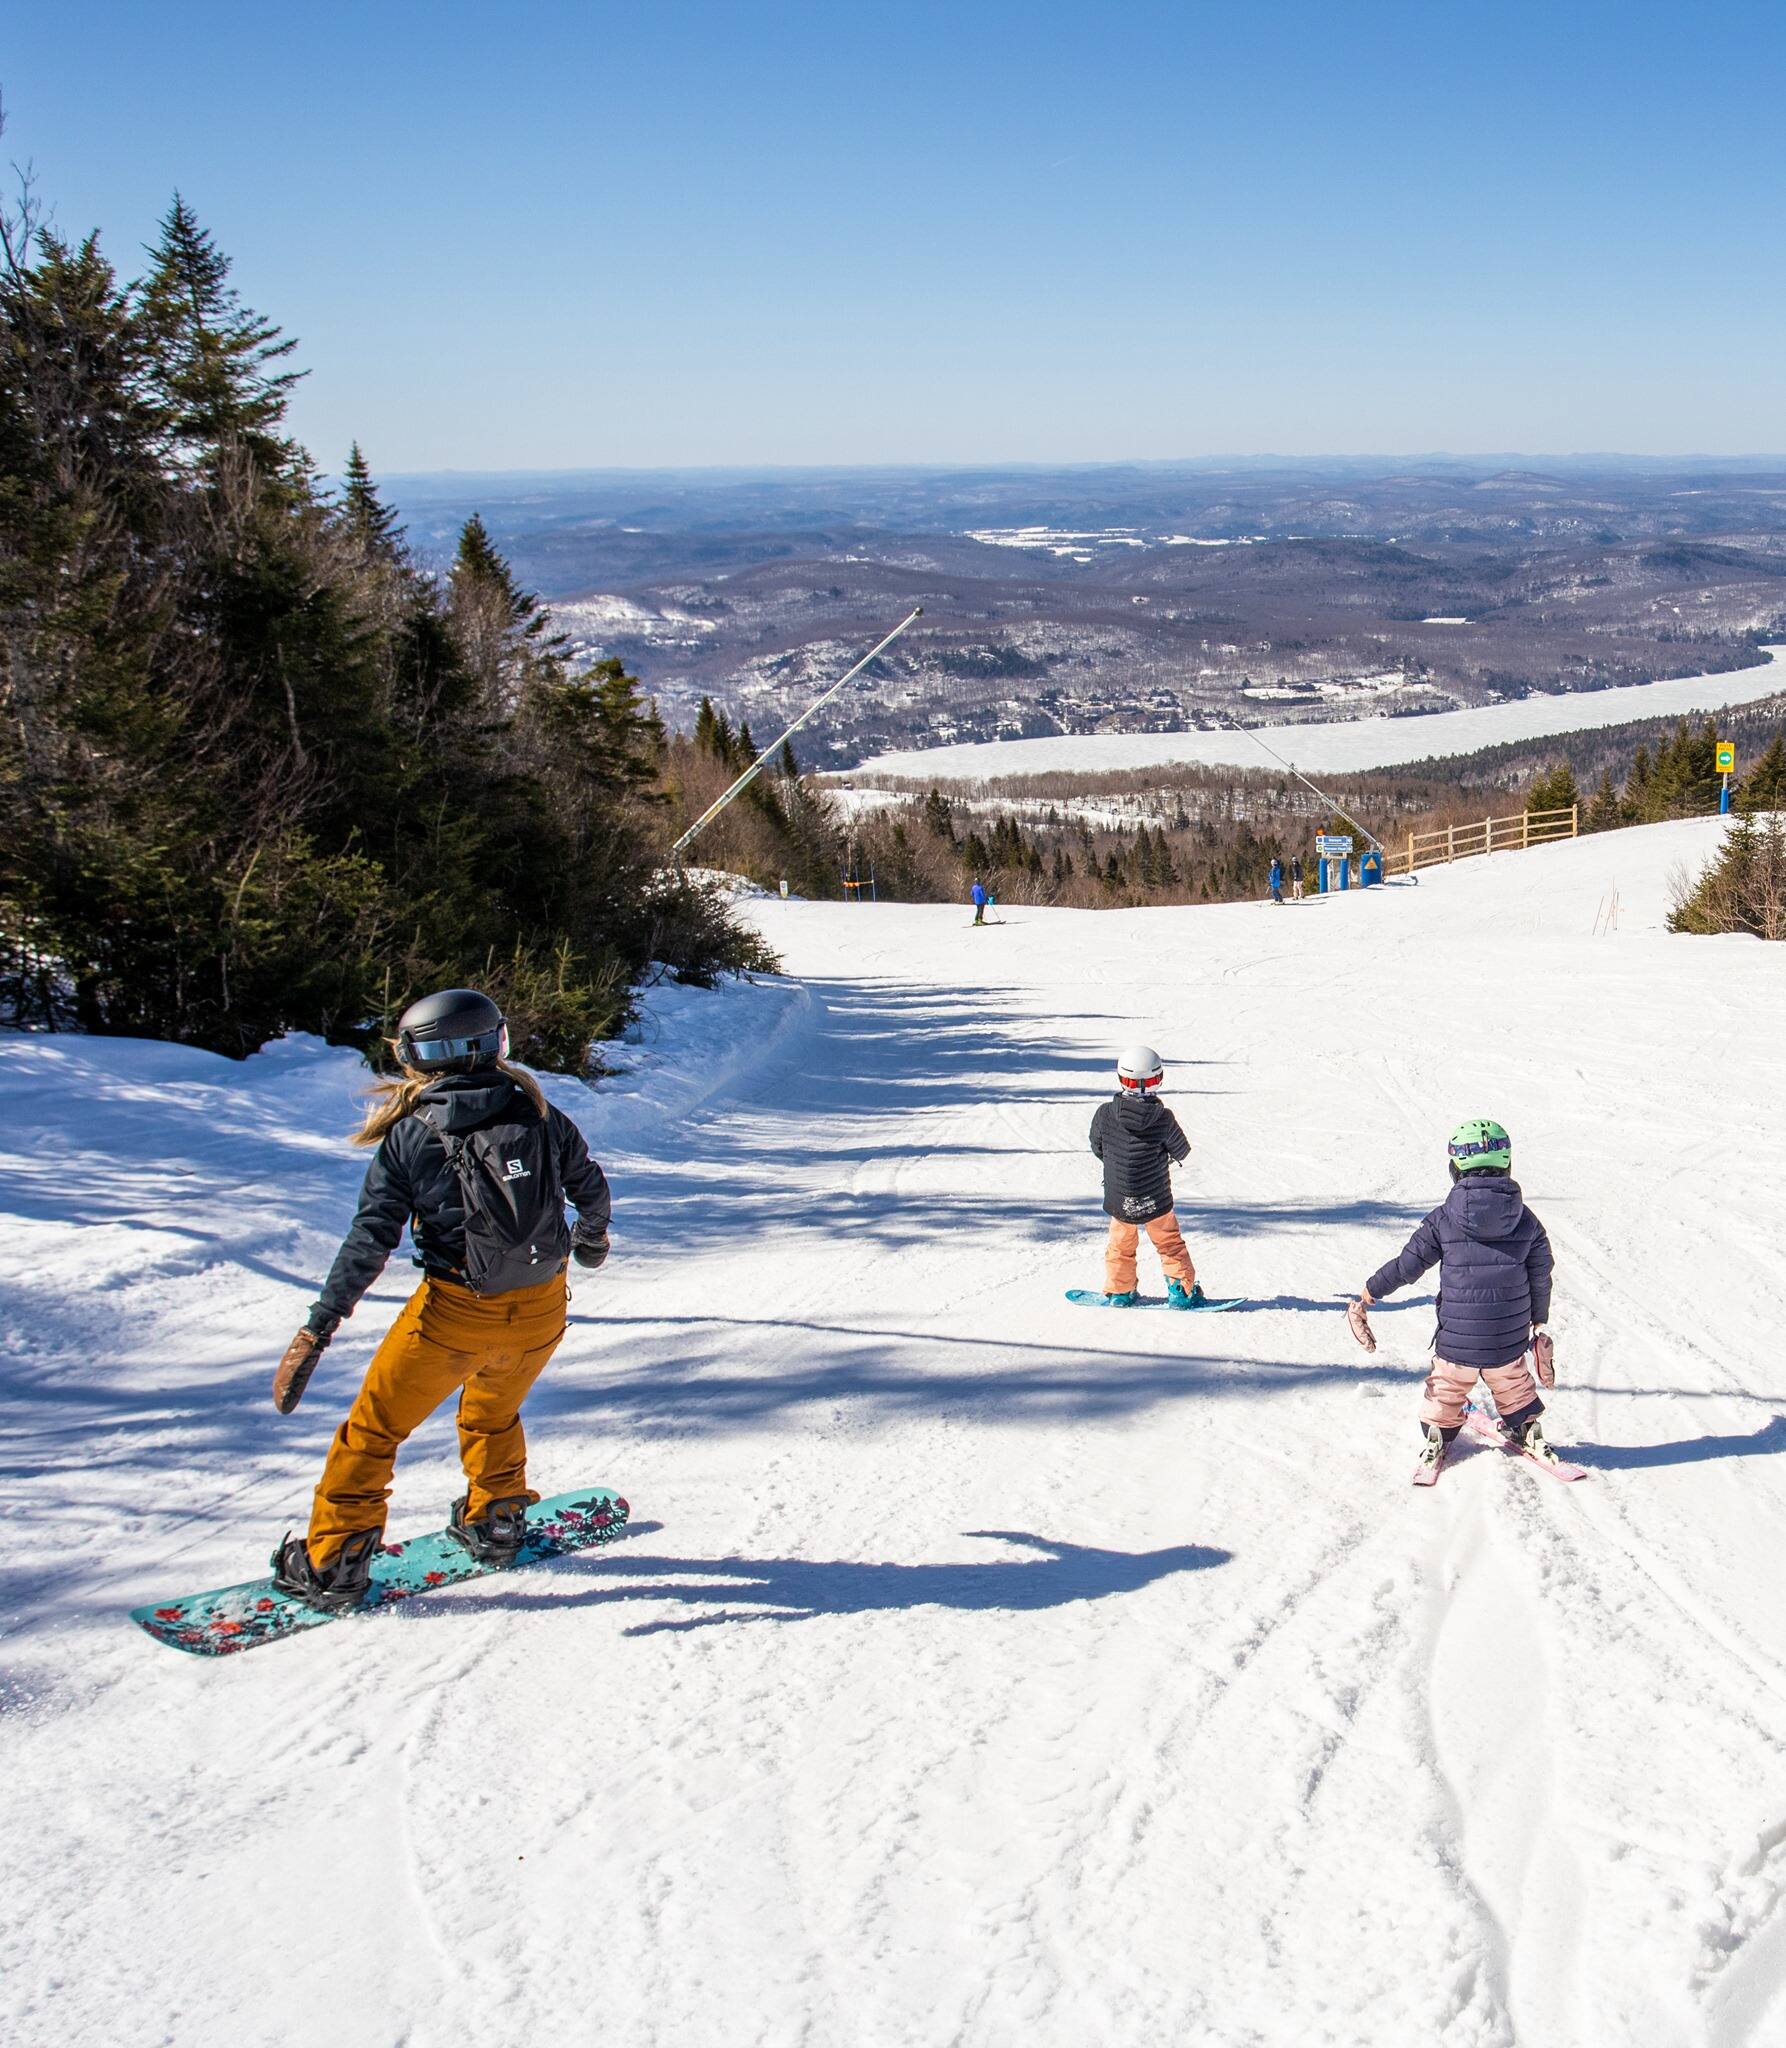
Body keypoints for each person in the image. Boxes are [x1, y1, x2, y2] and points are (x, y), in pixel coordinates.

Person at [267, 988, 613, 1610]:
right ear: (494, 1042)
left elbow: (369, 1240)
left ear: (418, 1056)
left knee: (372, 1431)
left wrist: (319, 1328)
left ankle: (336, 1559)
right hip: (540, 1308)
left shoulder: (411, 1134)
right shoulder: (539, 1111)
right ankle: (497, 1517)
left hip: (453, 1315)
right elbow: (591, 1187)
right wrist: (590, 1244)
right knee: (493, 1413)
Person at [1346, 1118, 1559, 1477]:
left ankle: (1438, 1435)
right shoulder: (1527, 1220)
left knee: (1445, 1390)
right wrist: (1539, 1319)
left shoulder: (1443, 1219)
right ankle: (1525, 1427)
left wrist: (1369, 1292)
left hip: (1457, 1343)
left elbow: (1406, 1266)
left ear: (1454, 1168)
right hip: (1507, 1340)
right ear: (1507, 1165)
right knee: (1511, 1383)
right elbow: (1541, 1274)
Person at [1088, 1045, 1208, 1307]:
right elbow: (1181, 1150)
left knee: (1120, 1245)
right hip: (1155, 1198)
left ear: (1121, 1077)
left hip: (1120, 1198)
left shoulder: (1104, 1114)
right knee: (1169, 1244)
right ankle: (1180, 1291)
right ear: (1158, 1079)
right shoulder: (1163, 1119)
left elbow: (1098, 1147)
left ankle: (1120, 1291)